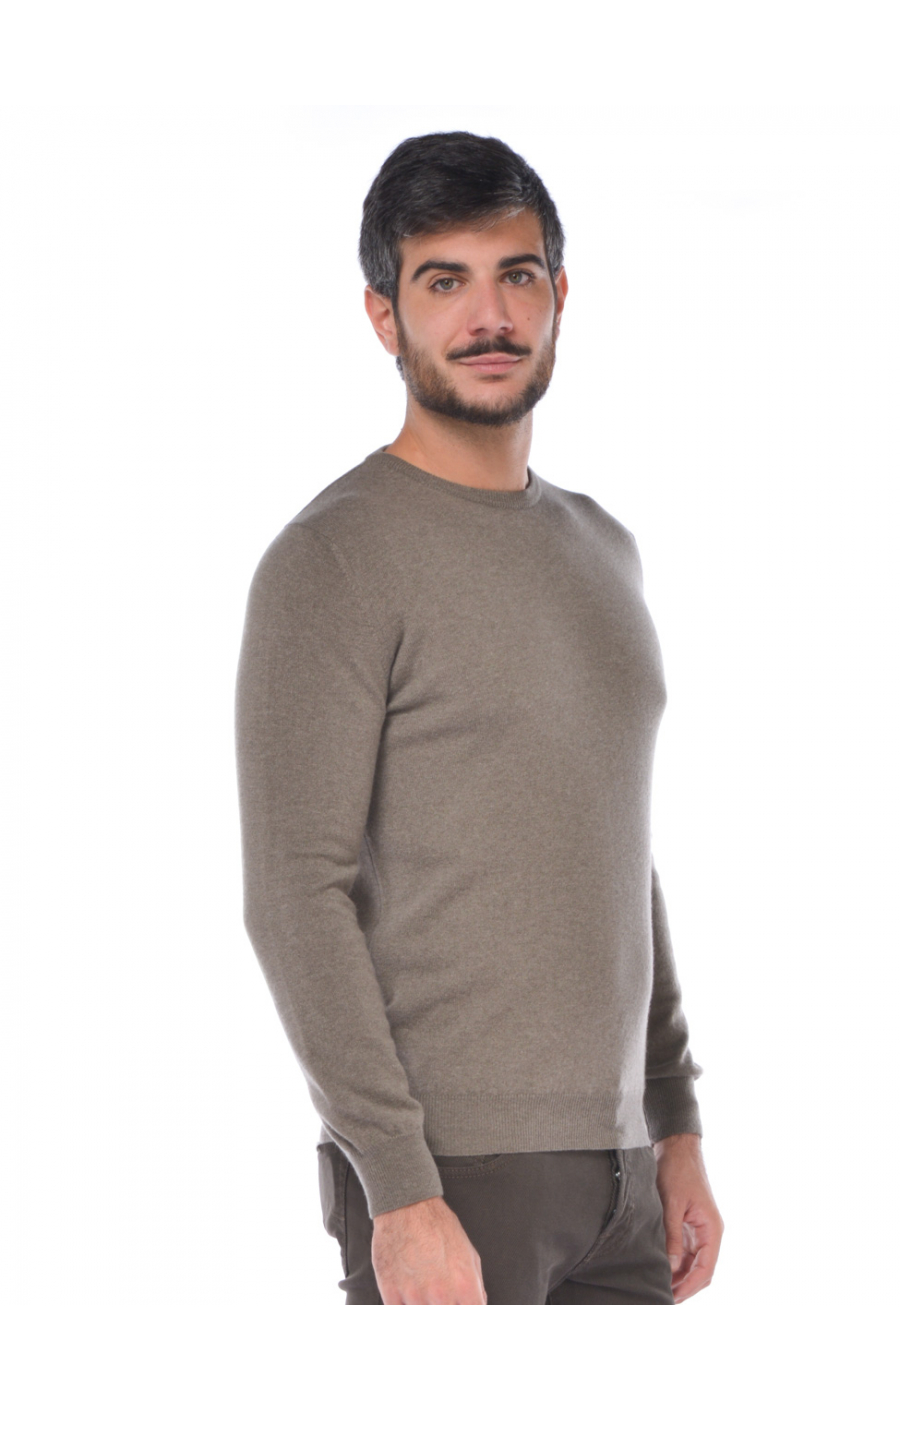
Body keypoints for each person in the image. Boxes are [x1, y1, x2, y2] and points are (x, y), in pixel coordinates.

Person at [234, 131, 724, 1305]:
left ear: (559, 296)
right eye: (443, 281)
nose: (489, 315)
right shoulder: (333, 558)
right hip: (452, 1180)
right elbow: (294, 894)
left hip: (623, 1180)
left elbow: (616, 852)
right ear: (384, 316)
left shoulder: (603, 548)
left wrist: (675, 1123)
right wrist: (398, 1185)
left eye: (516, 275)